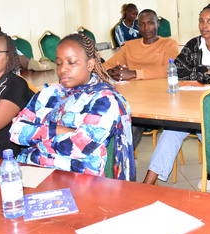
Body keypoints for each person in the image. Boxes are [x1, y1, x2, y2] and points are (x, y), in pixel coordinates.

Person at [142, 1, 210, 189]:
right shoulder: (194, 44)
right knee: (171, 130)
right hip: (189, 103)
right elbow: (177, 70)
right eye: (201, 21)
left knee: (208, 128)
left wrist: (198, 74)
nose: (204, 26)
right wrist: (207, 73)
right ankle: (147, 185)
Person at [9, 33, 135, 179]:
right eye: (59, 63)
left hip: (78, 179)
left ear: (90, 64)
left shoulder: (104, 100)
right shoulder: (49, 93)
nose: (63, 69)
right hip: (34, 171)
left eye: (71, 62)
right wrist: (58, 130)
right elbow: (15, 131)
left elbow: (78, 146)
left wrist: (36, 140)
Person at [103, 9, 179, 148]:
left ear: (157, 24)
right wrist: (111, 72)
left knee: (131, 126)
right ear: (138, 26)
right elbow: (106, 66)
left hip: (159, 99)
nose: (146, 28)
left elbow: (167, 70)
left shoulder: (169, 44)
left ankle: (122, 157)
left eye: (150, 23)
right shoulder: (129, 46)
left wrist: (134, 73)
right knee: (110, 121)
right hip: (133, 98)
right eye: (142, 24)